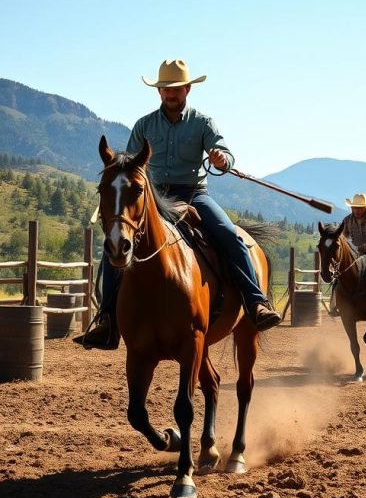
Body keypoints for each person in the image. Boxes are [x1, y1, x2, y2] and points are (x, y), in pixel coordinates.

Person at [79, 59, 282, 350]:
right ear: (159, 91)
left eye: (176, 88)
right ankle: (108, 321)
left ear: (187, 89)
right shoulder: (144, 125)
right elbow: (129, 166)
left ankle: (255, 302)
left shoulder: (202, 122)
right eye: (166, 89)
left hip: (193, 193)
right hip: (152, 197)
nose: (171, 93)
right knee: (115, 245)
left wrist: (221, 159)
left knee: (229, 235)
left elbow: (225, 154)